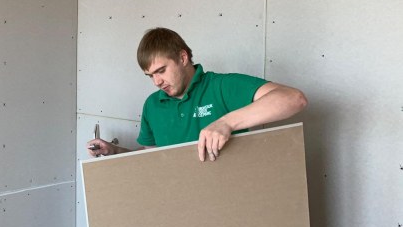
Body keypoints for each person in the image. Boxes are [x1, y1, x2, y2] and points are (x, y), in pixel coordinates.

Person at [87, 27, 306, 162]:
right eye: (150, 75)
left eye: (161, 71)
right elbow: (152, 159)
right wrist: (115, 151)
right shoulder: (152, 105)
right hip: (179, 207)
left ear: (183, 58)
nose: (156, 82)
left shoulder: (221, 87)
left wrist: (226, 123)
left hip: (232, 205)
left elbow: (294, 99)